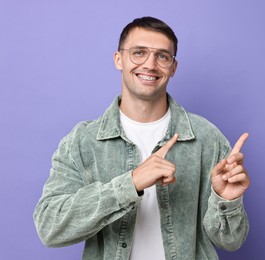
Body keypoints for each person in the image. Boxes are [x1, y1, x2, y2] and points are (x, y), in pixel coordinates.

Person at [33, 16, 250, 260]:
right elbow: (49, 227)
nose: (150, 64)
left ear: (173, 67)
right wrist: (131, 183)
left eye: (162, 56)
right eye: (139, 52)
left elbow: (230, 241)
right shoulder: (83, 141)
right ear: (119, 59)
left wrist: (227, 201)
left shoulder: (206, 137)